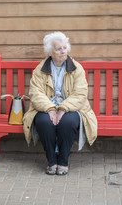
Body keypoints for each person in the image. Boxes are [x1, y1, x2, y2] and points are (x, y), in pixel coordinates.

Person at [23, 32, 97, 175]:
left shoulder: (76, 68)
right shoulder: (40, 69)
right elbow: (35, 93)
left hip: (72, 108)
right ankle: (51, 161)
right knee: (44, 122)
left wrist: (63, 109)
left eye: (65, 47)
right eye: (58, 48)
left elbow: (80, 93)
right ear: (50, 52)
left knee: (67, 122)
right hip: (46, 108)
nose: (63, 51)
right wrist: (50, 109)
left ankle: (63, 161)